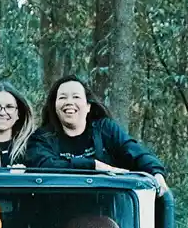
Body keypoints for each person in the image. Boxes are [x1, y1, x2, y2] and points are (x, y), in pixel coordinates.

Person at [20, 75, 167, 187]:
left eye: (76, 97)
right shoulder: (41, 138)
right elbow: (44, 165)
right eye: (63, 97)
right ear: (55, 106)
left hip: (105, 209)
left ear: (88, 106)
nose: (69, 102)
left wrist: (156, 172)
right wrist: (93, 166)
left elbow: (133, 150)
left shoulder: (105, 129)